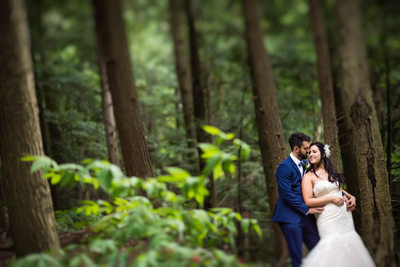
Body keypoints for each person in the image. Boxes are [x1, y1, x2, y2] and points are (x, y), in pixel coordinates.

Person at [301, 142, 375, 266]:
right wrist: (330, 199)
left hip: (344, 217)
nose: (311, 155)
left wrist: (352, 197)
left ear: (323, 154)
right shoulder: (308, 177)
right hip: (328, 218)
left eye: (314, 152)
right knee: (331, 247)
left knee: (350, 246)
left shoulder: (331, 172)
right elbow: (308, 201)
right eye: (309, 153)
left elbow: (338, 190)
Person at [272, 133, 324, 267]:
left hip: (307, 218)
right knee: (297, 258)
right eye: (306, 148)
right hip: (290, 218)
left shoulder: (308, 164)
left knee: (318, 249)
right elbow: (286, 194)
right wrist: (306, 208)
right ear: (296, 148)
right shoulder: (284, 167)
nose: (309, 151)